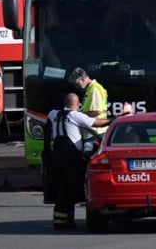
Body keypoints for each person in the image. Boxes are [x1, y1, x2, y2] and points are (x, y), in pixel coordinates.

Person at [44, 93, 111, 229]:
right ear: (76, 104)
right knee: (69, 187)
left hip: (56, 156)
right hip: (71, 157)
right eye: (79, 103)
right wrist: (115, 119)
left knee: (62, 188)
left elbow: (50, 117)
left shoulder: (54, 114)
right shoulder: (75, 115)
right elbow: (97, 123)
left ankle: (61, 220)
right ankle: (64, 222)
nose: (80, 105)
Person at [69, 67, 108, 139]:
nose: (76, 87)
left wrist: (78, 114)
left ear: (83, 79)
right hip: (93, 131)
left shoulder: (94, 89)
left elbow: (97, 111)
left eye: (76, 84)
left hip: (94, 133)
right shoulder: (90, 88)